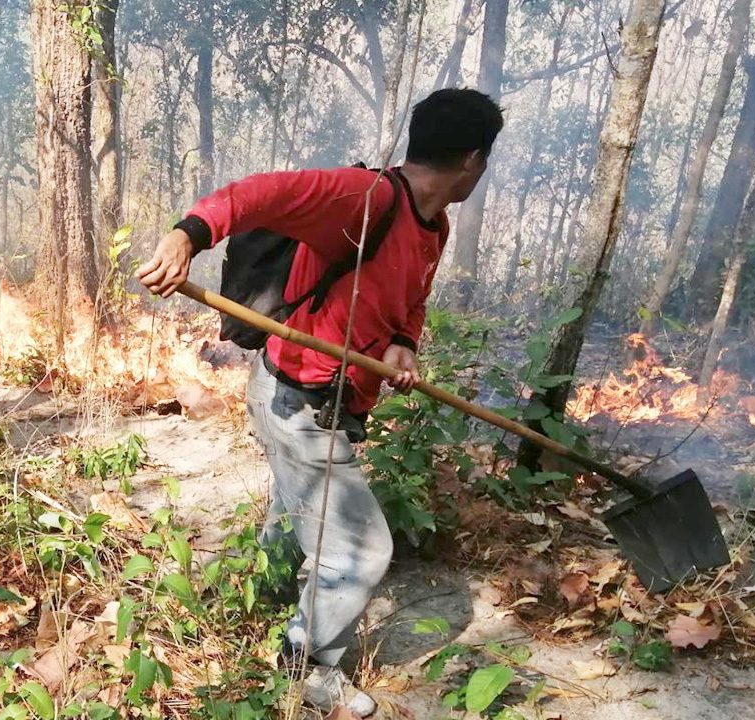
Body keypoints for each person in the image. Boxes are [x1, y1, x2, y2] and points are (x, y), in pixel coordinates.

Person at [137, 89, 504, 716]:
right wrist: (185, 237)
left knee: (290, 514)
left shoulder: (431, 225)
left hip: (333, 401)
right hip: (294, 400)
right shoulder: (363, 198)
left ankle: (263, 603)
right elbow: (258, 193)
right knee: (361, 550)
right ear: (472, 159)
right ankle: (307, 668)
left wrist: (401, 347)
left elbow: (407, 302)